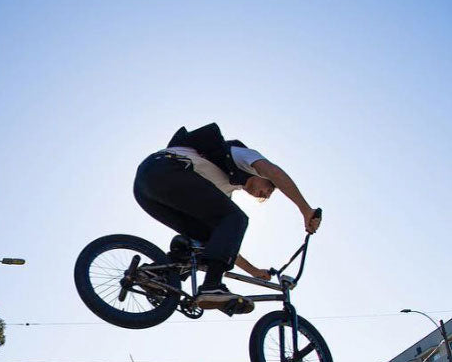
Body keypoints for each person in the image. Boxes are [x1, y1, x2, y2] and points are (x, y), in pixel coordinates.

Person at [133, 123, 322, 309]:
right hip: (165, 168)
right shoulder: (242, 156)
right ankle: (212, 287)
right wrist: (305, 209)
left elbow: (224, 242)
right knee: (237, 218)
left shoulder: (224, 190)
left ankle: (156, 273)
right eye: (269, 188)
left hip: (146, 190)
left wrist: (253, 271)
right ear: (263, 177)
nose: (265, 195)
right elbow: (275, 172)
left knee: (209, 237)